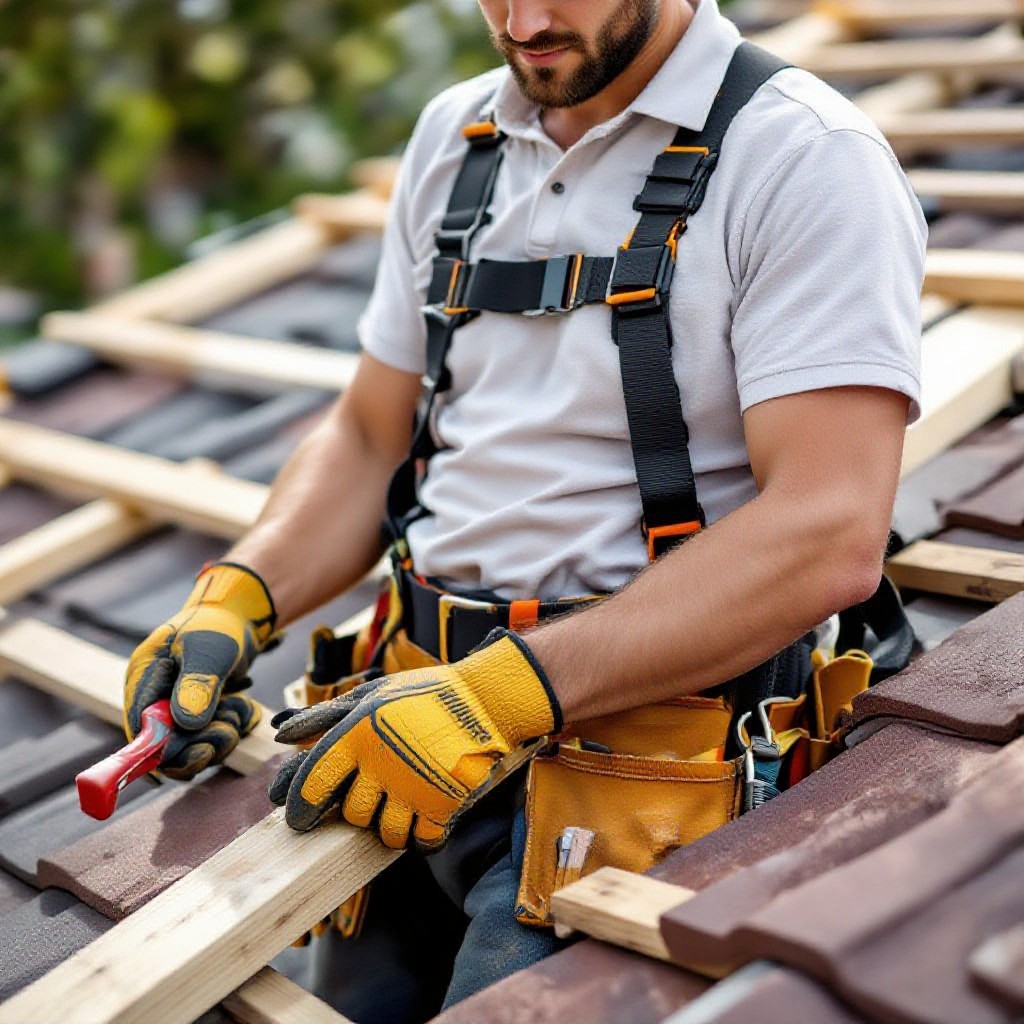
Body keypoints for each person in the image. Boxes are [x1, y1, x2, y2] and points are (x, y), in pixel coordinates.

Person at [122, 0, 926, 1019]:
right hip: (405, 736)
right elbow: (373, 434)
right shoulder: (458, 137)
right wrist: (236, 597)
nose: (524, 19)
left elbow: (825, 533)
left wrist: (495, 700)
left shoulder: (802, 159)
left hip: (637, 770)